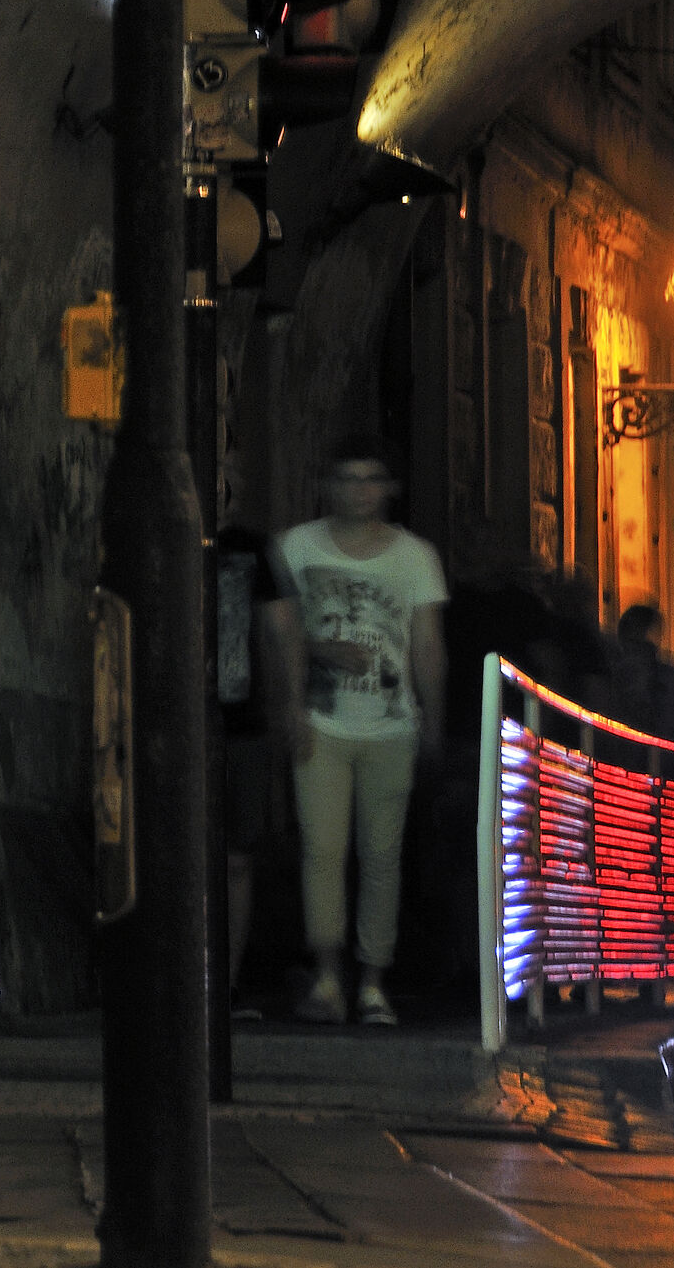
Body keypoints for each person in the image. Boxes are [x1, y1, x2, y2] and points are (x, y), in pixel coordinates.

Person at [275, 434, 448, 1026]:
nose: (359, 492)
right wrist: (298, 692)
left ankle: (373, 979)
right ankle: (328, 977)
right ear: (329, 487)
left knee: (382, 854)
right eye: (347, 479)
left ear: (388, 489)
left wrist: (434, 720)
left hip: (391, 724)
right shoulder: (297, 548)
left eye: (370, 479)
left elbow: (427, 642)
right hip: (321, 721)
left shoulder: (414, 557)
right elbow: (279, 635)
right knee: (321, 850)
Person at [214, 505, 304, 1019]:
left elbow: (283, 627)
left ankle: (224, 983)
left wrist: (290, 702)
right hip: (170, 718)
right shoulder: (152, 519)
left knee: (237, 855)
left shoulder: (248, 547)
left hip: (241, 721)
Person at [590, 603, 674, 755]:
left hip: (614, 765)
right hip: (664, 765)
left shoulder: (605, 672)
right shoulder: (672, 678)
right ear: (653, 634)